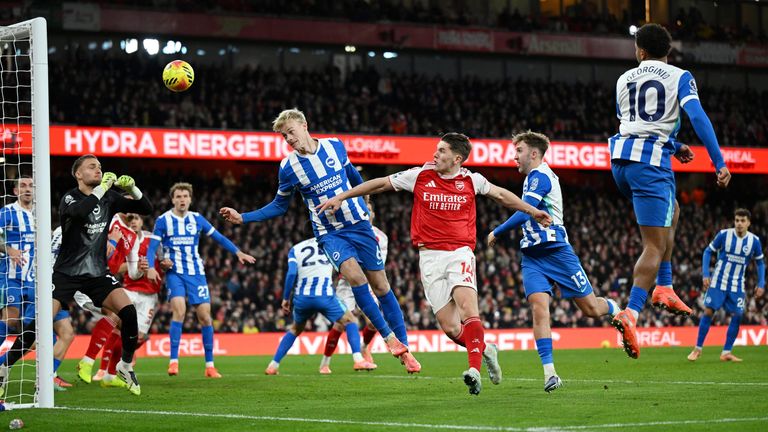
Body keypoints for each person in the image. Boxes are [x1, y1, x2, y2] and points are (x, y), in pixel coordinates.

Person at [318, 132, 552, 395]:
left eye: (441, 151)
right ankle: (486, 349)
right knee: (451, 329)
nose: (435, 154)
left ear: (457, 158)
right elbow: (379, 185)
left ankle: (474, 370)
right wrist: (344, 196)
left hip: (460, 253)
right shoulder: (419, 176)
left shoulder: (471, 180)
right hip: (429, 258)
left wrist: (532, 211)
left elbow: (501, 195)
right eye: (436, 149)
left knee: (468, 309)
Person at [220, 108, 420, 373]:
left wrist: (363, 199)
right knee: (356, 279)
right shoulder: (288, 167)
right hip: (330, 233)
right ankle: (389, 338)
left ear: (304, 125)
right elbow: (279, 206)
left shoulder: (335, 146)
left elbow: (354, 178)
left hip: (359, 224)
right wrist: (243, 218)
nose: (289, 139)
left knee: (382, 287)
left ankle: (405, 348)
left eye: (291, 132)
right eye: (284, 136)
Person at [609, 23, 730, 359]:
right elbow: (698, 117)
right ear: (668, 52)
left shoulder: (623, 79)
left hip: (620, 162)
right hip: (650, 167)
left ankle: (664, 286)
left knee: (673, 211)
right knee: (654, 244)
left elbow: (636, 124)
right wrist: (718, 162)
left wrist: (674, 145)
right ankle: (631, 312)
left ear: (641, 51)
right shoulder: (679, 76)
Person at [0, 155, 152, 396]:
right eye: (92, 167)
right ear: (78, 174)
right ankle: (4, 370)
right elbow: (81, 213)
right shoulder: (70, 198)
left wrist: (132, 189)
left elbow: (146, 208)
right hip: (65, 274)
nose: (98, 170)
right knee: (38, 327)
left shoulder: (110, 198)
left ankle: (124, 365)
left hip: (96, 274)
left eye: (100, 167)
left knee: (128, 312)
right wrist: (103, 188)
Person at [487, 132, 621, 393]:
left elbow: (526, 211)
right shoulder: (530, 179)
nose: (515, 156)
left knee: (591, 309)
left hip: (557, 250)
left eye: (520, 151)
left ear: (534, 154)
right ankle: (550, 374)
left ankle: (615, 308)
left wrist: (497, 231)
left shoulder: (541, 177)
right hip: (533, 256)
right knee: (539, 309)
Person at [146, 182, 255, 378]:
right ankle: (173, 362)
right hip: (175, 273)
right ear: (173, 199)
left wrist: (238, 252)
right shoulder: (163, 220)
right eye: (178, 196)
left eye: (185, 196)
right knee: (179, 310)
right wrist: (153, 266)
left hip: (196, 273)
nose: (182, 200)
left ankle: (210, 366)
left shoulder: (197, 219)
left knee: (205, 317)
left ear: (190, 199)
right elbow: (152, 246)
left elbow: (219, 238)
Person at [0, 178, 75, 395]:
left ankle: (45, 377)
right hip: (12, 277)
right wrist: (8, 249)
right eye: (22, 186)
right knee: (12, 319)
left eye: (31, 186)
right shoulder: (7, 212)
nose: (27, 189)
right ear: (15, 190)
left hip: (40, 282)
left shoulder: (41, 215)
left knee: (59, 332)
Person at [265, 233, 376, 375]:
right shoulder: (329, 245)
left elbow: (291, 274)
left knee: (295, 329)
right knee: (350, 320)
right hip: (325, 296)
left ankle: (273, 365)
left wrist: (286, 298)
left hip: (302, 298)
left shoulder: (296, 248)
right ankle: (358, 359)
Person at [688, 209, 764, 362]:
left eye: (743, 221)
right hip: (718, 282)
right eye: (737, 220)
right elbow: (707, 252)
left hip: (737, 284)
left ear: (748, 223)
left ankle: (726, 352)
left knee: (738, 314)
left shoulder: (754, 241)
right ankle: (697, 349)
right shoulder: (724, 235)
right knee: (709, 311)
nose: (739, 224)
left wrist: (761, 283)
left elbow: (760, 263)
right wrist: (706, 274)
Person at [320, 197, 383, 373]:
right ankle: (325, 363)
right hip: (345, 285)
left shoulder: (382, 238)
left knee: (373, 322)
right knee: (341, 323)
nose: (366, 212)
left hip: (367, 284)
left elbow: (377, 265)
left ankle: (363, 347)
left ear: (373, 214)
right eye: (364, 209)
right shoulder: (347, 231)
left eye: (369, 210)